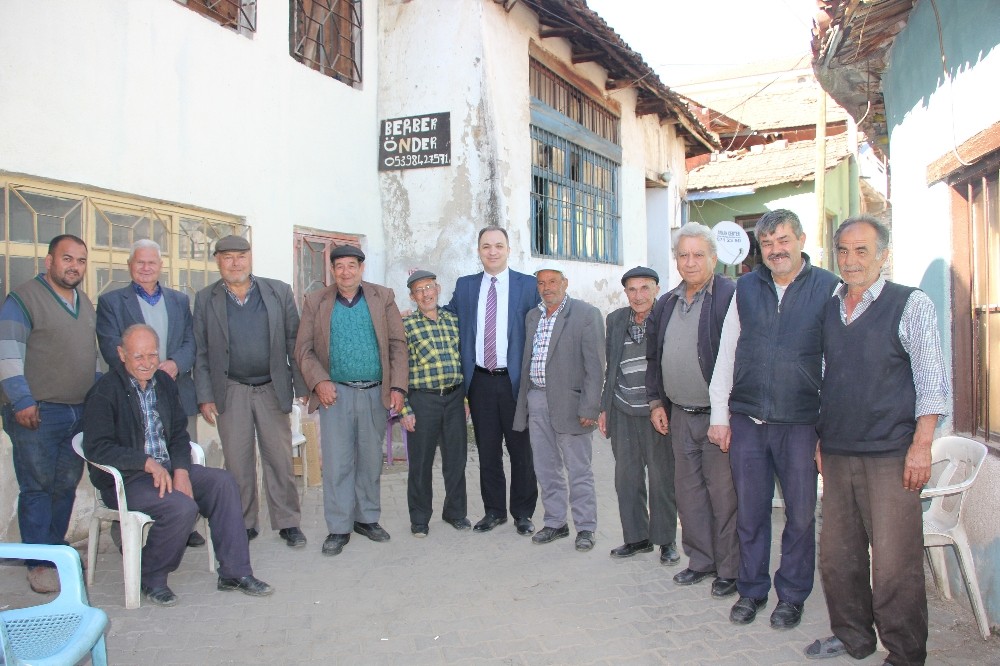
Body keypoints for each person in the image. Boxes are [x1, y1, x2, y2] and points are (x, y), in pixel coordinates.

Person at [805, 217, 949, 665]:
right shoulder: (830, 308)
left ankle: (905, 654)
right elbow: (826, 379)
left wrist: (922, 445)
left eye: (861, 250)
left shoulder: (910, 303)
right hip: (839, 451)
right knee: (838, 559)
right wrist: (820, 438)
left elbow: (931, 380)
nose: (850, 261)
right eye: (843, 251)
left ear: (883, 254)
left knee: (894, 566)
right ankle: (853, 639)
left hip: (892, 455)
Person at [708, 209, 839, 629]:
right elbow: (726, 353)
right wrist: (720, 416)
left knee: (801, 514)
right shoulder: (744, 288)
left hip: (801, 423)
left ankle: (793, 595)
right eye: (767, 244)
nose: (776, 250)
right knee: (751, 511)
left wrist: (827, 428)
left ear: (801, 240)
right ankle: (752, 590)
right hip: (748, 419)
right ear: (758, 249)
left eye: (783, 240)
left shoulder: (828, 288)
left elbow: (836, 363)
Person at [83, 324, 273, 606]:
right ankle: (151, 576)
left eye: (152, 355)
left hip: (169, 470)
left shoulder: (164, 383)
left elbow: (177, 434)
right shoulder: (105, 391)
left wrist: (182, 471)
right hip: (127, 480)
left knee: (223, 483)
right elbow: (97, 447)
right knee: (181, 508)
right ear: (122, 354)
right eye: (139, 357)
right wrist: (145, 463)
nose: (147, 364)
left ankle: (235, 572)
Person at [193, 235, 307, 549]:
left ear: (250, 257)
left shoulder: (278, 291)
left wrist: (300, 386)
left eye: (241, 256)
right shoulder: (206, 299)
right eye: (227, 257)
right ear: (217, 260)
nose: (235, 263)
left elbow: (293, 343)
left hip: (271, 388)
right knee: (238, 462)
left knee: (280, 459)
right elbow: (201, 351)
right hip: (231, 390)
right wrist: (205, 395)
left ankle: (288, 523)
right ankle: (243, 523)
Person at [295, 244, 407, 556]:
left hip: (374, 392)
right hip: (336, 395)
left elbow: (398, 344)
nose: (346, 272)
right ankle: (339, 527)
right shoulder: (316, 301)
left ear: (361, 268)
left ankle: (367, 518)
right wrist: (319, 381)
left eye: (351, 266)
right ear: (332, 270)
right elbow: (303, 349)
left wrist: (397, 387)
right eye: (339, 266)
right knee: (337, 463)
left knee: (370, 460)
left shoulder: (382, 297)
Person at [0, 234, 97, 594]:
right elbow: (7, 353)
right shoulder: (23, 300)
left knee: (65, 486)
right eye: (67, 259)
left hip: (77, 412)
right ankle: (38, 563)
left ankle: (55, 550)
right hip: (37, 412)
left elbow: (92, 357)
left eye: (81, 261)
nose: (74, 266)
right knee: (37, 487)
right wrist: (22, 400)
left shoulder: (84, 303)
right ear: (49, 261)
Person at [646, 224, 739, 598]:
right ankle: (701, 560)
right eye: (683, 255)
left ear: (713, 258)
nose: (690, 262)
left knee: (724, 496)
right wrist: (656, 402)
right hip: (680, 415)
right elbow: (654, 357)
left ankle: (730, 569)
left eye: (698, 254)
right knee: (689, 494)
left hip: (720, 418)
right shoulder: (667, 302)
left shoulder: (730, 296)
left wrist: (730, 414)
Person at [96, 238, 205, 549]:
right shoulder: (112, 302)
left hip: (175, 391)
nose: (146, 268)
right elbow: (110, 347)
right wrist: (146, 369)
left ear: (161, 266)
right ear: (130, 267)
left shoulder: (179, 300)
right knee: (138, 460)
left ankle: (185, 521)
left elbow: (190, 342)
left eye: (152, 262)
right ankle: (127, 524)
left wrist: (174, 365)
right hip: (133, 396)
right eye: (140, 262)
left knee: (180, 455)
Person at [446, 226, 540, 535]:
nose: (492, 251)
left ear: (509, 250)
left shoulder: (527, 286)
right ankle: (494, 511)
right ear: (479, 250)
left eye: (499, 245)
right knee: (488, 451)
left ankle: (523, 513)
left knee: (521, 451)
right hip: (481, 382)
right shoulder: (467, 286)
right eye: (486, 246)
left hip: (515, 382)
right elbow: (449, 317)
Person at [513, 268, 604, 552]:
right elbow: (528, 361)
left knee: (578, 469)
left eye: (553, 282)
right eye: (541, 283)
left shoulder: (586, 314)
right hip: (537, 400)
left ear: (565, 283)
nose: (546, 287)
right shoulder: (533, 316)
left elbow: (595, 366)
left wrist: (590, 406)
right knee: (545, 467)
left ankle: (586, 527)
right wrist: (525, 404)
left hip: (572, 404)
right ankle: (555, 522)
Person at [598, 266, 680, 566]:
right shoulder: (616, 320)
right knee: (626, 478)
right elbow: (612, 366)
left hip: (656, 413)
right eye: (631, 290)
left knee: (661, 479)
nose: (638, 295)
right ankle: (636, 538)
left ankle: (666, 540)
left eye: (645, 288)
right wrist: (605, 407)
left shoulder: (668, 317)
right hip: (622, 410)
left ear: (657, 289)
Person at [398, 270, 469, 537]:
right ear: (412, 296)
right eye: (419, 290)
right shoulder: (406, 325)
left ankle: (455, 512)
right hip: (422, 401)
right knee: (420, 463)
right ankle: (419, 519)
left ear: (438, 288)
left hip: (453, 399)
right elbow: (398, 369)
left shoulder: (453, 320)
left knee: (456, 460)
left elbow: (463, 359)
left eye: (429, 287)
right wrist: (404, 408)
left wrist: (465, 398)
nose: (426, 293)